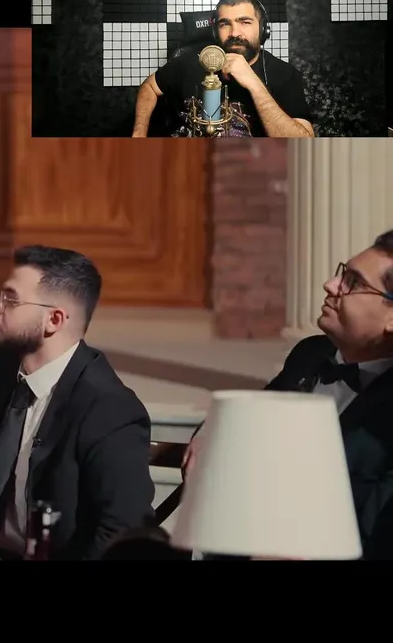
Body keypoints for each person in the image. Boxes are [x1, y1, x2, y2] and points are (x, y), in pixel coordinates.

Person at [161, 230, 393, 559]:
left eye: (353, 282)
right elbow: (252, 417)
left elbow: (374, 526)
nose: (330, 285)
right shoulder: (310, 354)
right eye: (342, 273)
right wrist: (210, 432)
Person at [0, 245, 155, 560]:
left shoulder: (110, 409)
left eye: (10, 299)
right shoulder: (7, 369)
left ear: (53, 319)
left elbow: (121, 532)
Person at [131, 0, 314, 138]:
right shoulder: (190, 62)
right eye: (225, 24)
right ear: (214, 31)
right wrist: (139, 134)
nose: (234, 33)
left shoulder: (284, 74)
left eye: (245, 22)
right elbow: (149, 87)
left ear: (263, 29)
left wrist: (253, 83)